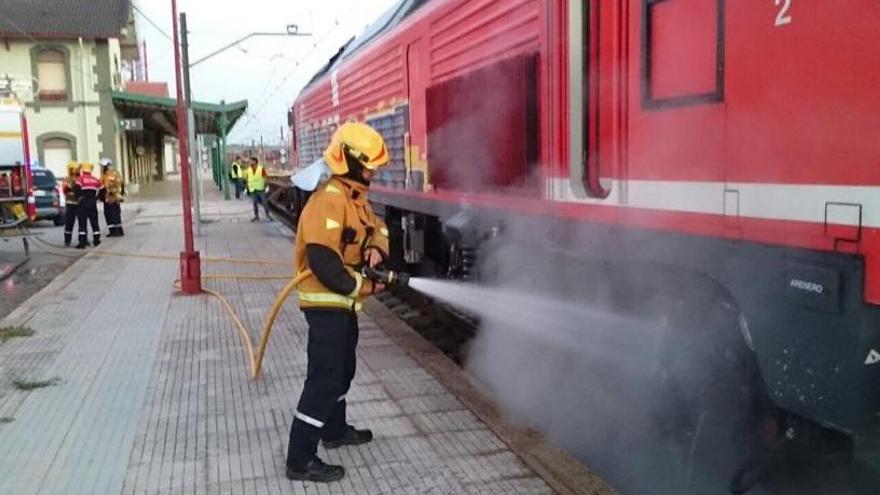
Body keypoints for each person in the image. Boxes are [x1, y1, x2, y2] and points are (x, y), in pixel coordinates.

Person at [286, 122, 391, 482]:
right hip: (325, 303)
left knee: (343, 370)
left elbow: (378, 226)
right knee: (324, 378)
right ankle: (299, 459)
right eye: (369, 165)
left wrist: (377, 247)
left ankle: (334, 430)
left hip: (342, 306)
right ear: (348, 160)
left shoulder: (354, 197)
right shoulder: (329, 198)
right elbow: (323, 260)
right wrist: (363, 285)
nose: (373, 172)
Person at [73, 162, 104, 249]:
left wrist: (79, 197)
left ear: (83, 170)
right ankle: (96, 240)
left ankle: (82, 243)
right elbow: (103, 189)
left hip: (83, 202)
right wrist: (97, 198)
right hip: (92, 202)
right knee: (94, 221)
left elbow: (76, 188)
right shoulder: (95, 179)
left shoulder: (80, 179)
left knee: (82, 222)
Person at [99, 158, 125, 237]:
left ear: (106, 166)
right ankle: (112, 231)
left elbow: (120, 185)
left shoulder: (114, 174)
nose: (101, 168)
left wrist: (117, 194)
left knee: (115, 214)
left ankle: (118, 231)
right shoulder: (104, 175)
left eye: (102, 166)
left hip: (113, 198)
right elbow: (101, 185)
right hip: (106, 198)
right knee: (108, 215)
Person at [243, 156, 272, 222]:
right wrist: (246, 188)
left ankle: (267, 215)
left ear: (255, 162)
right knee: (254, 202)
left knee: (264, 202)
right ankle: (256, 216)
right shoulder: (249, 170)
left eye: (251, 161)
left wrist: (267, 186)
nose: (250, 162)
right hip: (252, 189)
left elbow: (265, 177)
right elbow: (248, 179)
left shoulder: (261, 169)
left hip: (260, 188)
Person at [61, 161, 80, 247]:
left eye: (76, 169)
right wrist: (71, 185)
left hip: (79, 203)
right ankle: (67, 240)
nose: (75, 171)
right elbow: (65, 190)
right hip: (70, 203)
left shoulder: (80, 178)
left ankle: (83, 239)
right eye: (73, 169)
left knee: (82, 223)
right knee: (69, 223)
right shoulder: (67, 179)